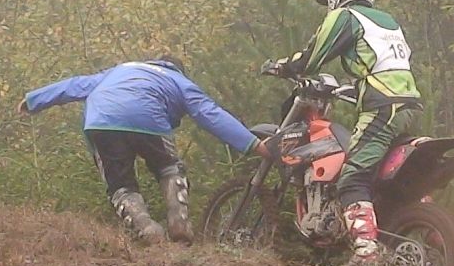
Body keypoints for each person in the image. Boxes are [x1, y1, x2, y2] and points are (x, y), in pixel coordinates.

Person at [18, 57, 268, 243]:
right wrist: (253, 144)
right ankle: (179, 223)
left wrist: (33, 100)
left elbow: (75, 85)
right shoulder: (179, 80)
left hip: (102, 122)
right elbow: (210, 113)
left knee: (120, 185)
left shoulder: (119, 71)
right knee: (169, 168)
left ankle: (147, 229)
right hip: (149, 120)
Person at [265, 0, 422, 263]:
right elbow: (384, 64)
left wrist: (285, 66)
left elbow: (312, 57)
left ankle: (366, 253)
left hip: (383, 105)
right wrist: (354, 88)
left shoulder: (347, 16)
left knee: (352, 177)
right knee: (385, 180)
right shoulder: (388, 22)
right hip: (409, 104)